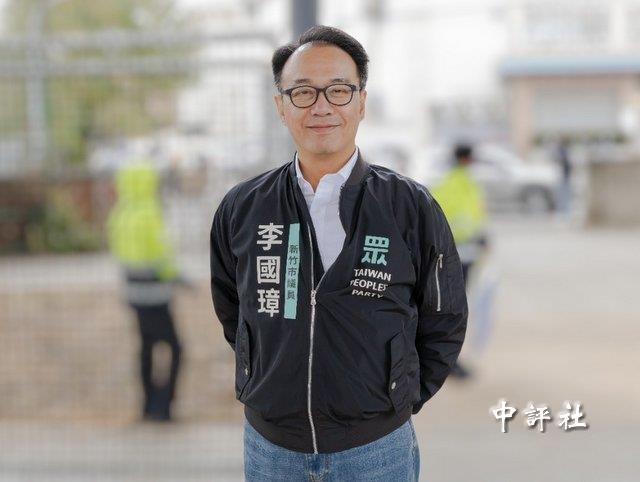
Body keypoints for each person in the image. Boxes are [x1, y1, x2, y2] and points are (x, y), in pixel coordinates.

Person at [210, 26, 467, 481]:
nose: (322, 106)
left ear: (361, 102)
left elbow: (443, 317)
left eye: (339, 90)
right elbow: (234, 308)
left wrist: (396, 398)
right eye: (303, 92)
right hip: (272, 449)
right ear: (281, 106)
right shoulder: (243, 207)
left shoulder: (409, 206)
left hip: (376, 450)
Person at [107, 162, 182, 422]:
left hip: (134, 295)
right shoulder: (150, 213)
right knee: (175, 348)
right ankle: (164, 406)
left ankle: (147, 405)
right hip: (156, 295)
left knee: (146, 347)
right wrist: (178, 276)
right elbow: (161, 254)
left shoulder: (119, 213)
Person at [431, 143, 488, 379]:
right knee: (454, 310)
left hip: (460, 252)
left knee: (453, 308)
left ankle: (449, 358)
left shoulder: (451, 180)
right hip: (458, 253)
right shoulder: (459, 182)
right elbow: (462, 217)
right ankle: (449, 360)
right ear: (467, 159)